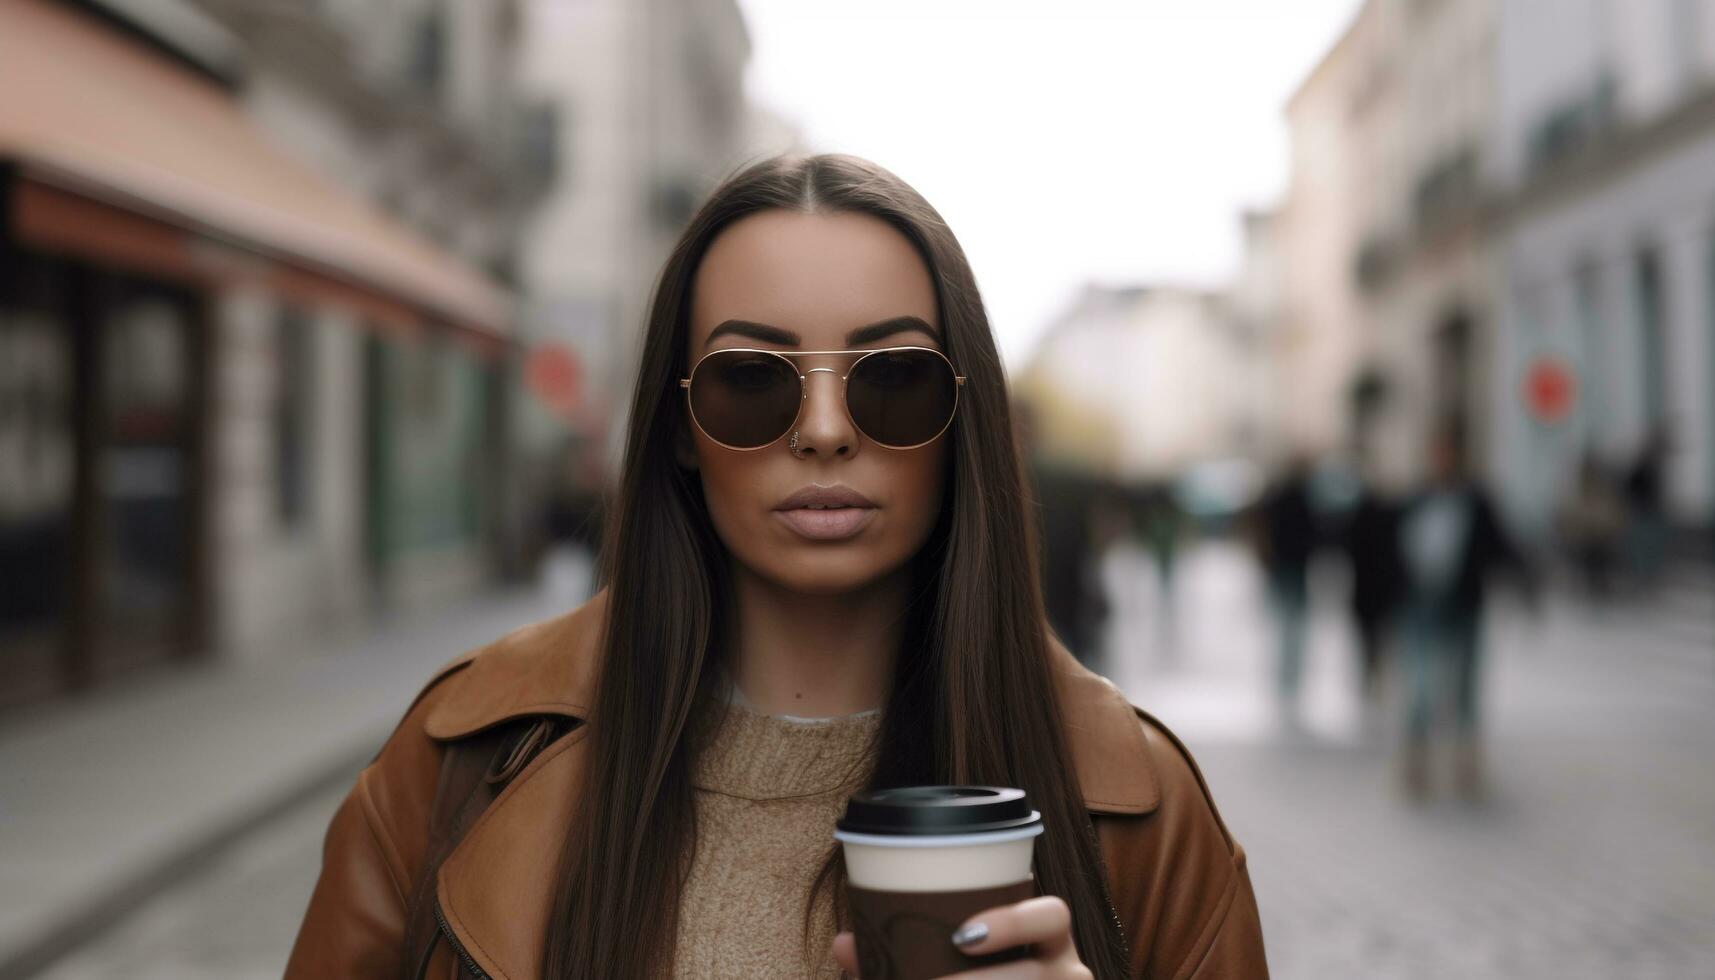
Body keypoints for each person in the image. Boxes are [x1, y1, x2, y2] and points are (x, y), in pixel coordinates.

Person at [284, 155, 1267, 979]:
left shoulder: (1134, 802)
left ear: (962, 418)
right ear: (678, 425)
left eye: (893, 379)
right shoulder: (460, 754)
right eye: (751, 381)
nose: (827, 431)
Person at [1396, 422, 1535, 801]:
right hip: (1422, 607)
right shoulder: (1416, 499)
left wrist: (1525, 584)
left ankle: (1465, 762)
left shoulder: (1476, 501)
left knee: (1465, 688)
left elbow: (1501, 546)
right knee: (1420, 688)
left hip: (1464, 607)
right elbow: (1392, 553)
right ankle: (1417, 763)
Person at [1255, 457, 1318, 726]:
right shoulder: (1300, 498)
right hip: (1291, 569)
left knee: (1288, 627)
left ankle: (1288, 678)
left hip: (1288, 569)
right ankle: (1288, 678)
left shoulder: (1285, 497)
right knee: (1291, 627)